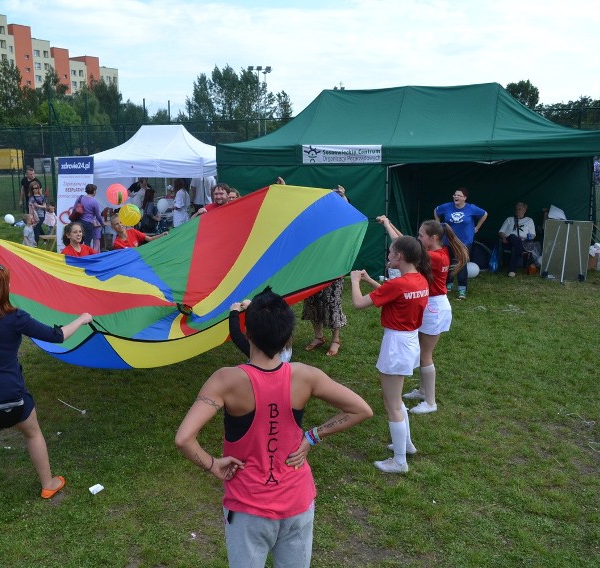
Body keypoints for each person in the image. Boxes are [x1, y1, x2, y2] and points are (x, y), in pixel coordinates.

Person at [175, 290, 373, 567]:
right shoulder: (305, 376)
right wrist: (312, 436)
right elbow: (361, 409)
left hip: (248, 508)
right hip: (298, 502)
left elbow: (184, 439)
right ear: (288, 338)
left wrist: (212, 465)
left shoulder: (225, 380)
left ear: (248, 333)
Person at [0, 263, 93, 531]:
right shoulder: (16, 318)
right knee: (32, 433)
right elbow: (57, 335)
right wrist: (82, 319)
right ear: (3, 290)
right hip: (9, 390)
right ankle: (48, 484)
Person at [350, 236, 431, 473]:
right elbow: (393, 294)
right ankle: (405, 445)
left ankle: (399, 461)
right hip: (408, 341)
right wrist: (370, 280)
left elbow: (357, 303)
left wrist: (355, 281)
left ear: (400, 257)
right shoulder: (419, 279)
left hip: (396, 343)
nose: (388, 255)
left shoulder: (400, 283)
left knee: (392, 404)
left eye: (390, 252)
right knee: (395, 401)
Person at [377, 216, 468, 415]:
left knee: (425, 356)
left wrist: (386, 224)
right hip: (434, 305)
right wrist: (389, 223)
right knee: (422, 353)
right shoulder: (439, 251)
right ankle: (422, 390)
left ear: (433, 237)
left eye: (420, 235)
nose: (417, 238)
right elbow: (408, 245)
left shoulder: (433, 257)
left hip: (434, 308)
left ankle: (430, 402)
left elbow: (403, 248)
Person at [302, 186, 350, 357]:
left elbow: (348, 214)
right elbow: (298, 213)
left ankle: (336, 339)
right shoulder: (315, 219)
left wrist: (343, 197)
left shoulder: (341, 222)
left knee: (332, 303)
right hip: (313, 268)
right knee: (313, 302)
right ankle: (318, 336)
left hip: (334, 269)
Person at [434, 187, 487, 299]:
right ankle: (448, 284)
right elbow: (436, 211)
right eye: (455, 195)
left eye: (459, 195)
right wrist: (438, 224)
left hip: (465, 241)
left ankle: (462, 289)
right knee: (447, 263)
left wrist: (477, 227)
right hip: (448, 241)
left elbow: (484, 214)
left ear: (465, 198)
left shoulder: (471, 208)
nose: (456, 197)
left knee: (461, 264)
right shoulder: (447, 206)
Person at [497, 201, 536, 277]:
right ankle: (524, 253)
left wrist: (528, 238)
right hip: (508, 241)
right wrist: (503, 237)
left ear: (524, 210)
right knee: (512, 235)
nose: (517, 211)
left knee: (515, 247)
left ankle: (512, 271)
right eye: (516, 209)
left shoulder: (529, 220)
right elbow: (501, 231)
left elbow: (533, 234)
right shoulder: (509, 219)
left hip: (523, 241)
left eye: (520, 209)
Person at [73, 183, 102, 250]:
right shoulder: (94, 202)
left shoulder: (80, 198)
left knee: (78, 241)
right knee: (87, 243)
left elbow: (74, 209)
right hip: (88, 224)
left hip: (78, 222)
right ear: (94, 191)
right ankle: (86, 257)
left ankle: (78, 255)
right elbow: (98, 216)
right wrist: (102, 223)